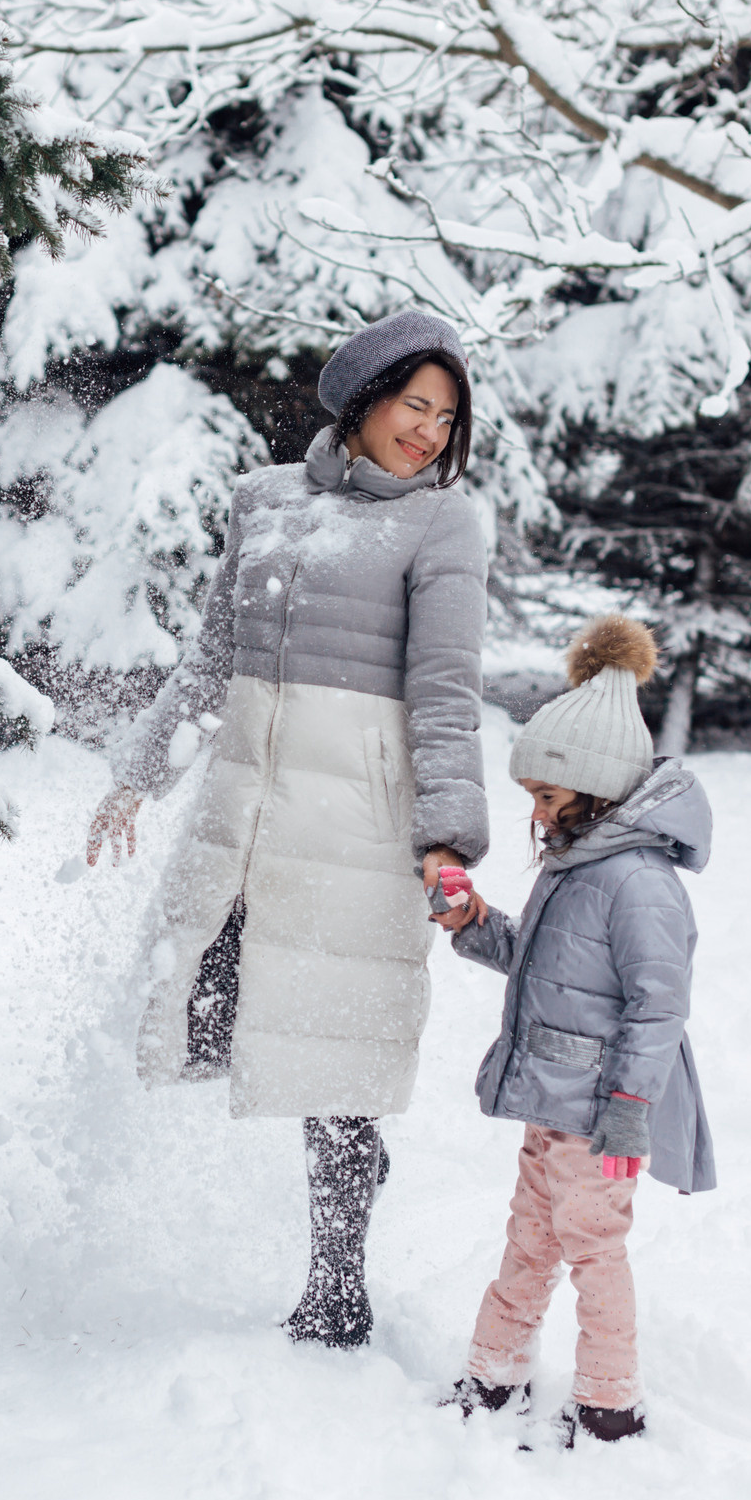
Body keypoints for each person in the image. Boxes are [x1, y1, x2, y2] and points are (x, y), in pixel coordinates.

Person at [83, 308, 490, 1348]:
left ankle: (337, 1286)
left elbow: (446, 693)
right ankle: (317, 1186)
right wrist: (139, 774)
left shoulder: (441, 526)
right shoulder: (263, 500)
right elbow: (214, 658)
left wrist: (447, 838)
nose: (429, 432)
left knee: (340, 1056)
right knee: (202, 1006)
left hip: (357, 831)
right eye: (415, 406)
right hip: (246, 818)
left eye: (445, 418)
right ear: (363, 398)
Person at [430, 614, 718, 1448]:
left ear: (595, 786)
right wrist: (475, 923)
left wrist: (630, 1109)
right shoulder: (578, 863)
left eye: (547, 796)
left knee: (594, 1254)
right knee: (528, 1241)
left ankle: (609, 1406)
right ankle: (494, 1376)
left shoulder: (640, 884)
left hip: (600, 1117)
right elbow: (544, 965)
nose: (536, 811)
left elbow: (658, 1008)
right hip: (551, 1107)